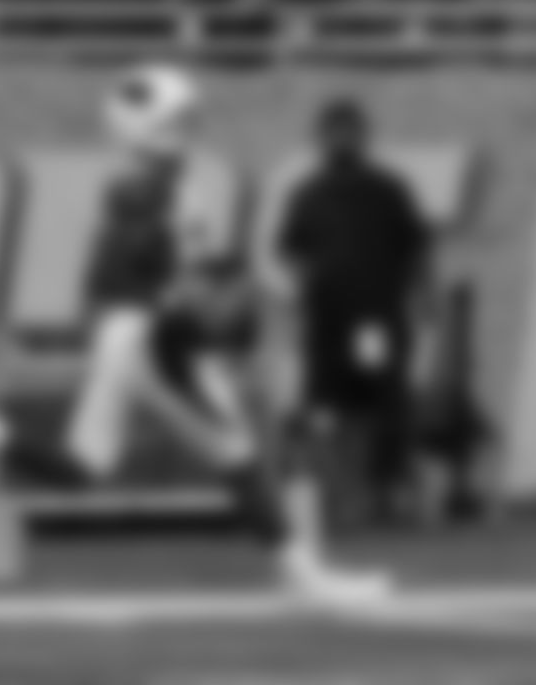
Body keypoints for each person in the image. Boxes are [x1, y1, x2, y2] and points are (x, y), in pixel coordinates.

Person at [60, 64, 393, 602]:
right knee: (236, 452)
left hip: (142, 333)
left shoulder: (156, 184)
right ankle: (307, 576)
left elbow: (158, 271)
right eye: (176, 119)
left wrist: (211, 283)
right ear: (147, 126)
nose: (188, 128)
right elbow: (130, 273)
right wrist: (200, 300)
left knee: (86, 468)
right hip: (150, 335)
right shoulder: (142, 190)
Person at [277, 97, 433, 525]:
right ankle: (326, 492)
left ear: (363, 136)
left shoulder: (387, 190)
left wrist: (425, 297)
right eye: (333, 132)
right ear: (320, 138)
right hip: (327, 324)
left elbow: (417, 248)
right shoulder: (308, 193)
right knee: (323, 403)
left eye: (349, 131)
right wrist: (302, 302)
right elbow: (291, 253)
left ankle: (385, 492)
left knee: (381, 399)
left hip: (374, 322)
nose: (341, 140)